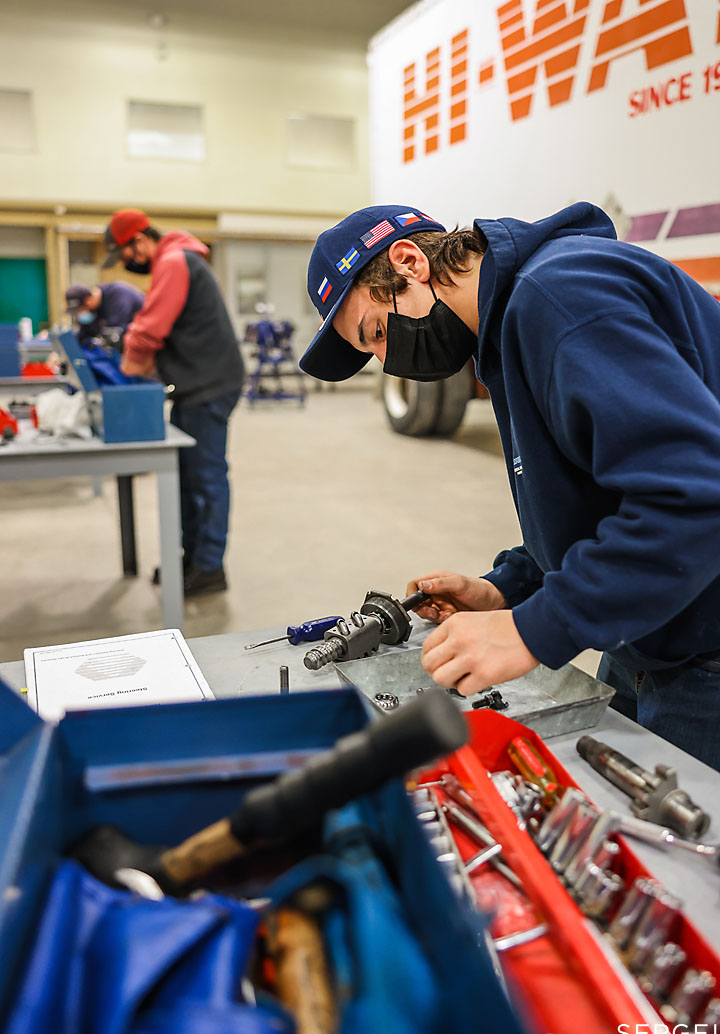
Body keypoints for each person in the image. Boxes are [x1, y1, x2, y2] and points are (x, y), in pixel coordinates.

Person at [298, 202, 720, 770]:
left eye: (375, 331)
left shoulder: (561, 298)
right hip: (644, 621)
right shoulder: (501, 334)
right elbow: (604, 495)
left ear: (407, 263)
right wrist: (508, 589)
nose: (386, 361)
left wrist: (531, 631)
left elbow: (694, 498)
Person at [102, 208, 245, 597]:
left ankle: (210, 567)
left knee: (207, 477)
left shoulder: (174, 259)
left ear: (139, 241)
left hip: (210, 385)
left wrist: (125, 372)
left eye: (127, 255)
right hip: (192, 386)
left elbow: (150, 327)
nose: (129, 264)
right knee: (185, 477)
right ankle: (190, 557)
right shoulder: (174, 259)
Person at [65, 282, 145, 345]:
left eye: (80, 310)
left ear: (88, 301)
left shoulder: (118, 296)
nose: (80, 314)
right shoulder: (94, 309)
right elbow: (85, 334)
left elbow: (117, 334)